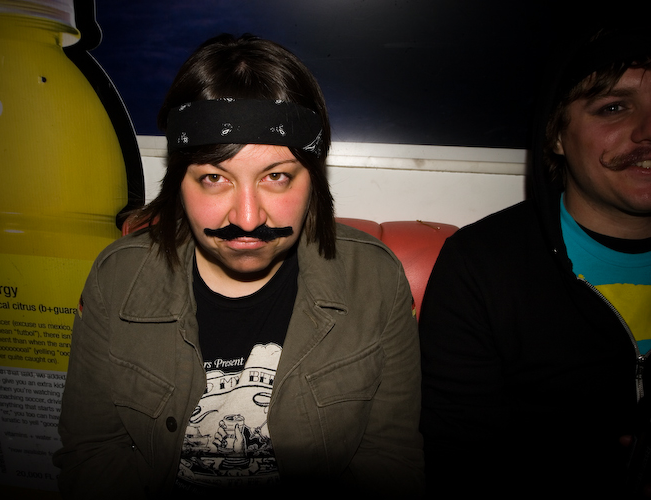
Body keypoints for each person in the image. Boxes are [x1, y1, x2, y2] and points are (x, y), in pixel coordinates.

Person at [54, 33, 424, 498]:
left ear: (312, 178)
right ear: (179, 181)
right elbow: (91, 452)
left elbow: (390, 459)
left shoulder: (375, 281)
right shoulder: (117, 279)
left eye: (276, 176)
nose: (247, 219)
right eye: (214, 177)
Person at [418, 26, 651, 498]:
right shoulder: (483, 267)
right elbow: (457, 463)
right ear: (557, 135)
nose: (648, 130)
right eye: (613, 107)